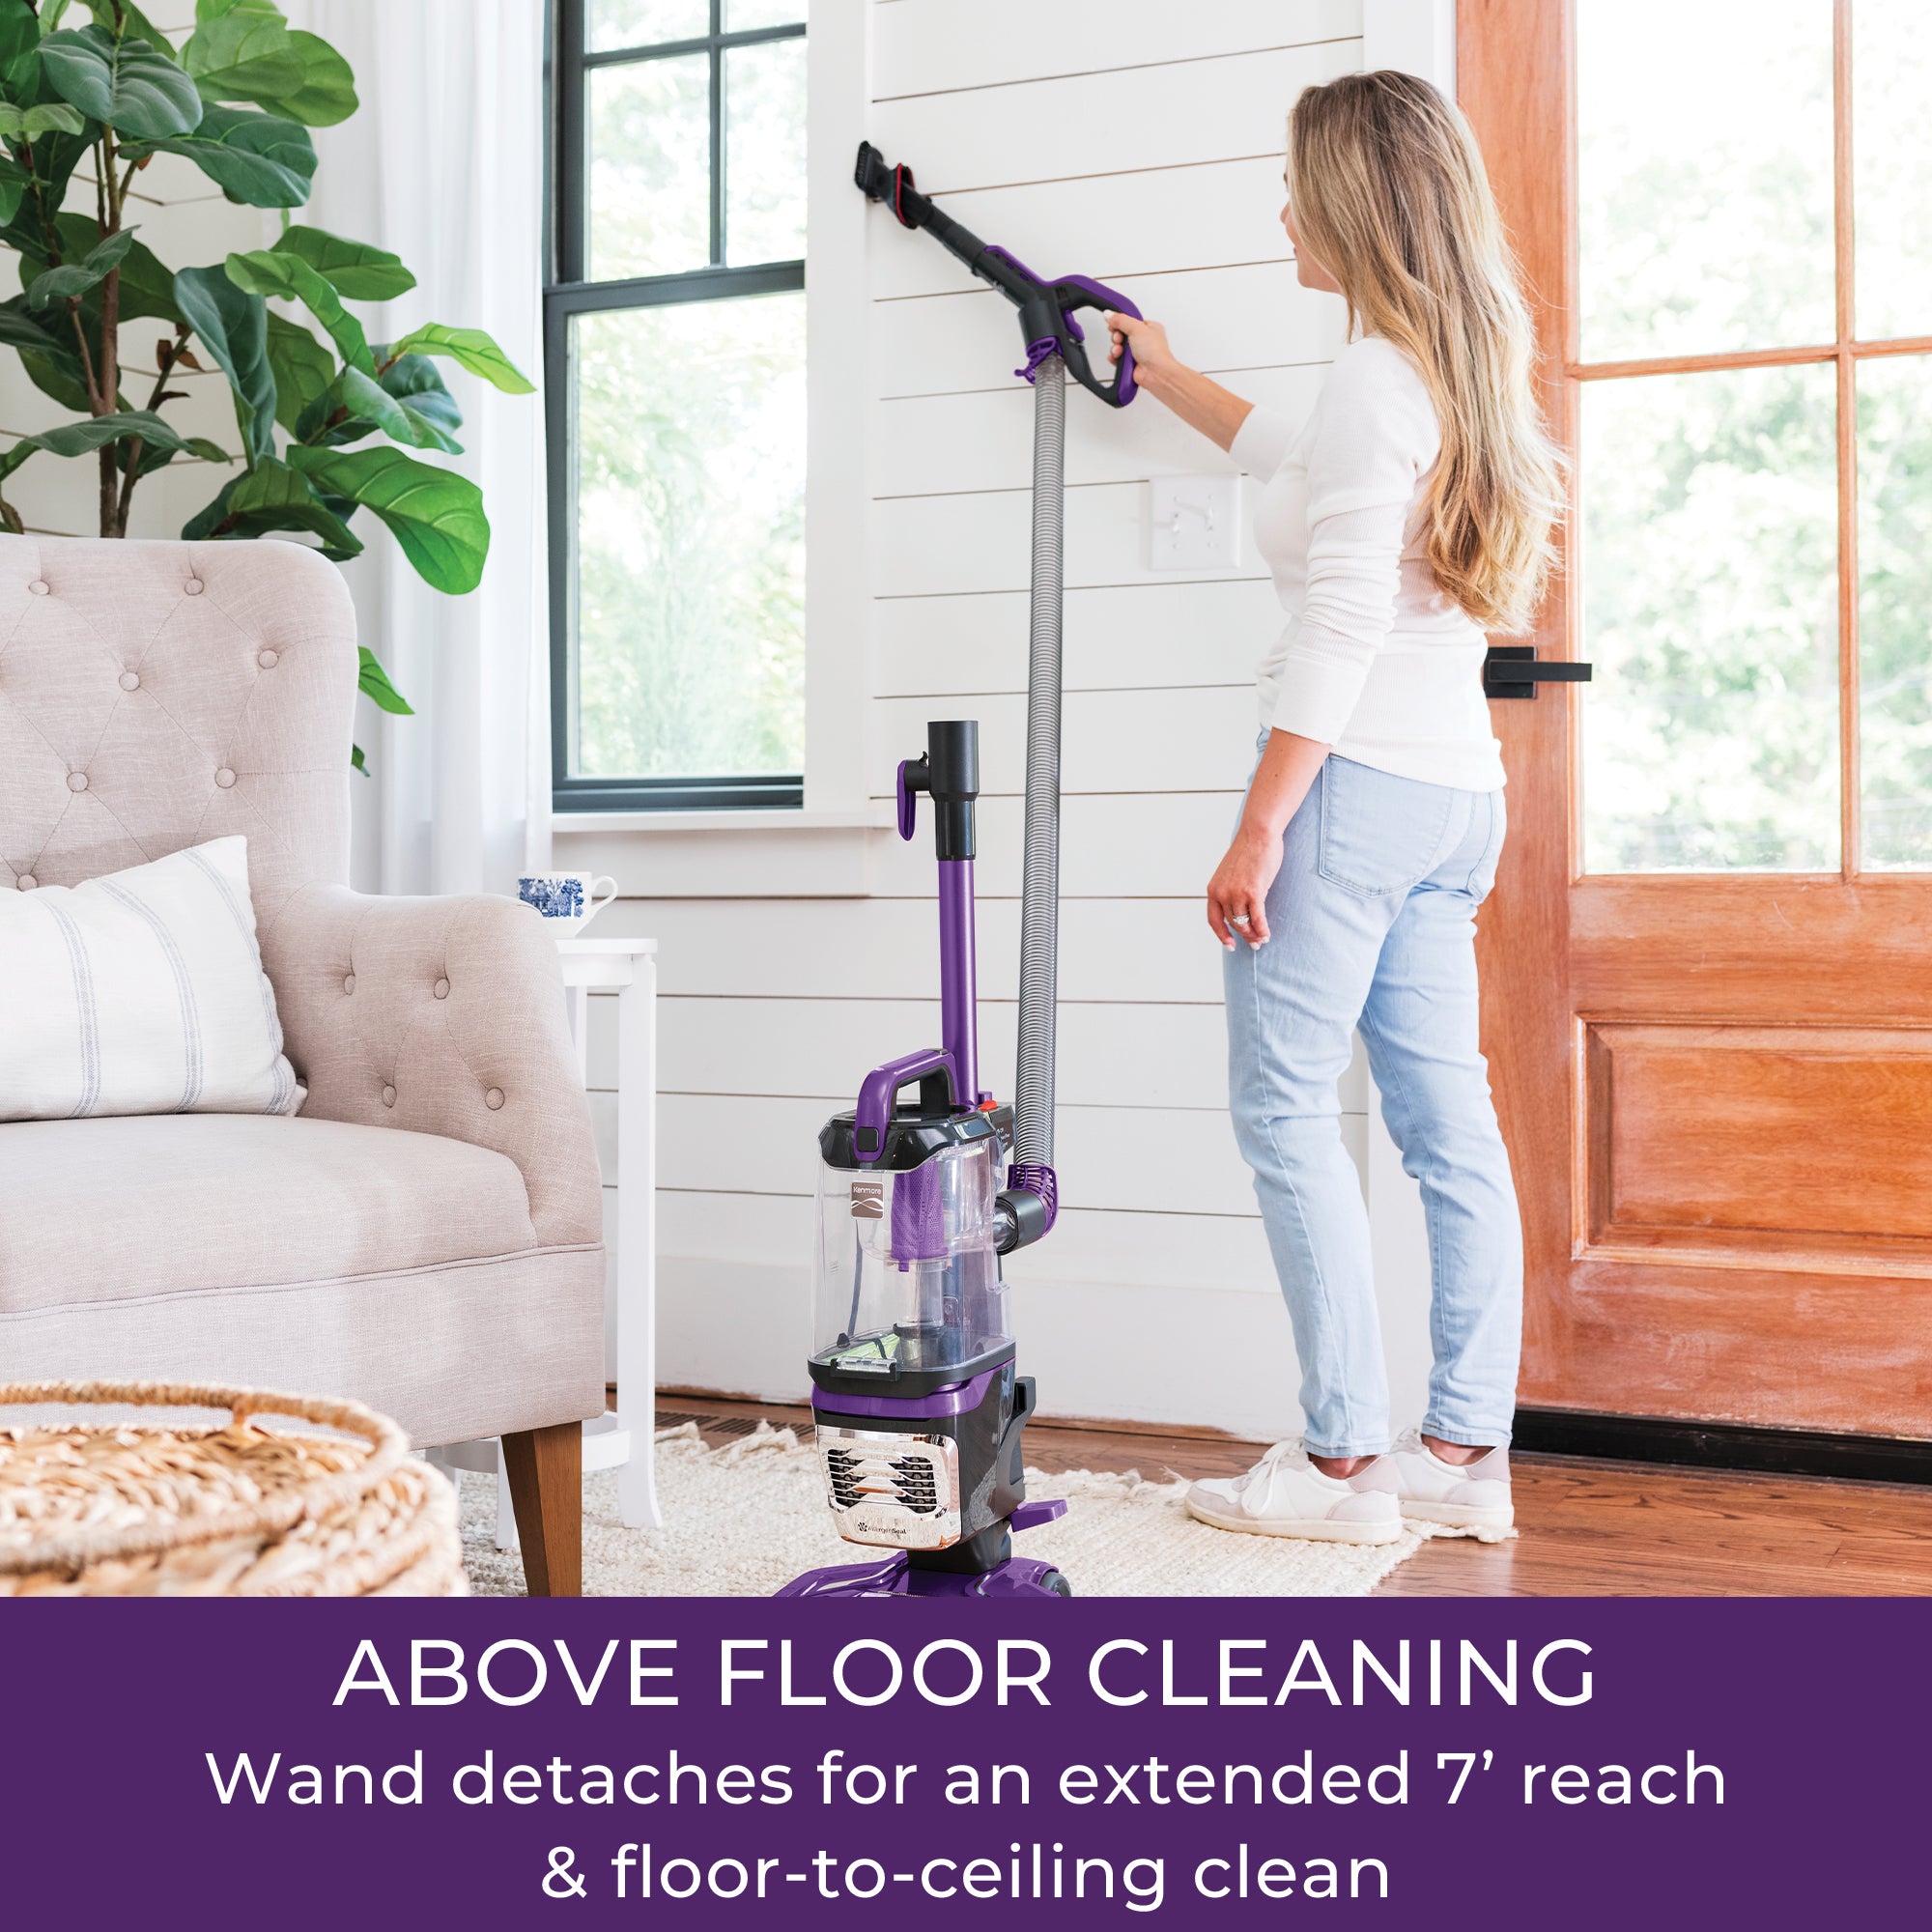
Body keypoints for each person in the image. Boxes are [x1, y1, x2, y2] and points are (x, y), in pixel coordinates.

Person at [1105, 71, 1562, 1546]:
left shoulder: (1377, 381)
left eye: (1297, 183)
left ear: (1356, 205)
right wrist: (1163, 372)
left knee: (1286, 1111)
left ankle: (1342, 1467)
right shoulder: (1442, 370)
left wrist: (1260, 824)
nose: (1282, 207)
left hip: (1353, 794)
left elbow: (1344, 621)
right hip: (1451, 801)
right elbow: (1299, 475)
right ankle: (1462, 1456)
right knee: (1447, 1130)